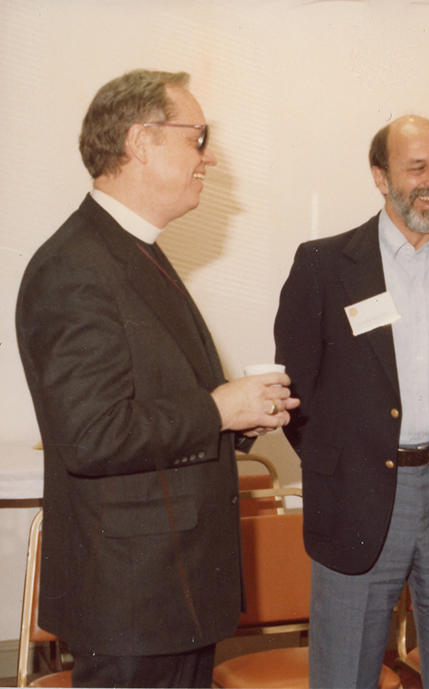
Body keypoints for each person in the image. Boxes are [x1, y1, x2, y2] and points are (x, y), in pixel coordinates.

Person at [15, 69, 298, 688]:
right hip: (132, 600)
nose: (209, 157)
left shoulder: (132, 249)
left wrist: (242, 414)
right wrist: (219, 410)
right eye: (198, 138)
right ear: (141, 142)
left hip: (167, 591)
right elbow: (91, 435)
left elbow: (158, 402)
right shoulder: (75, 267)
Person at [274, 114, 429, 689]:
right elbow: (296, 391)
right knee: (345, 673)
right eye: (417, 167)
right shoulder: (324, 265)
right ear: (380, 177)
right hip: (360, 494)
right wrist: (345, 463)